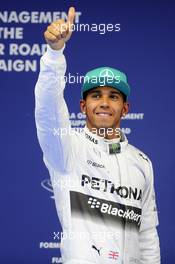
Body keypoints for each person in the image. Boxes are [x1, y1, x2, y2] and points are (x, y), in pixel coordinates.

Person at [35, 7, 160, 264]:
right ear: (83, 107)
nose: (104, 103)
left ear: (124, 108)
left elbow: (147, 233)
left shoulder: (142, 162)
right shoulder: (68, 148)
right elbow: (48, 109)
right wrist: (54, 54)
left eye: (113, 96)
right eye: (96, 95)